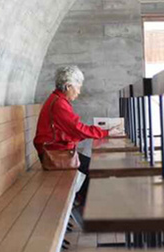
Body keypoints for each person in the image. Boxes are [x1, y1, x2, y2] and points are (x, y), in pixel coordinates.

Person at [33, 65, 116, 208]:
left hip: (56, 150)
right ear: (68, 86)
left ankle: (77, 202)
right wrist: (105, 133)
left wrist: (91, 134)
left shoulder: (57, 100)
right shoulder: (59, 104)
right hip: (53, 154)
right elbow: (77, 128)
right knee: (96, 169)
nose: (79, 92)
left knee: (93, 167)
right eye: (78, 87)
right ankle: (78, 204)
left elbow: (72, 130)